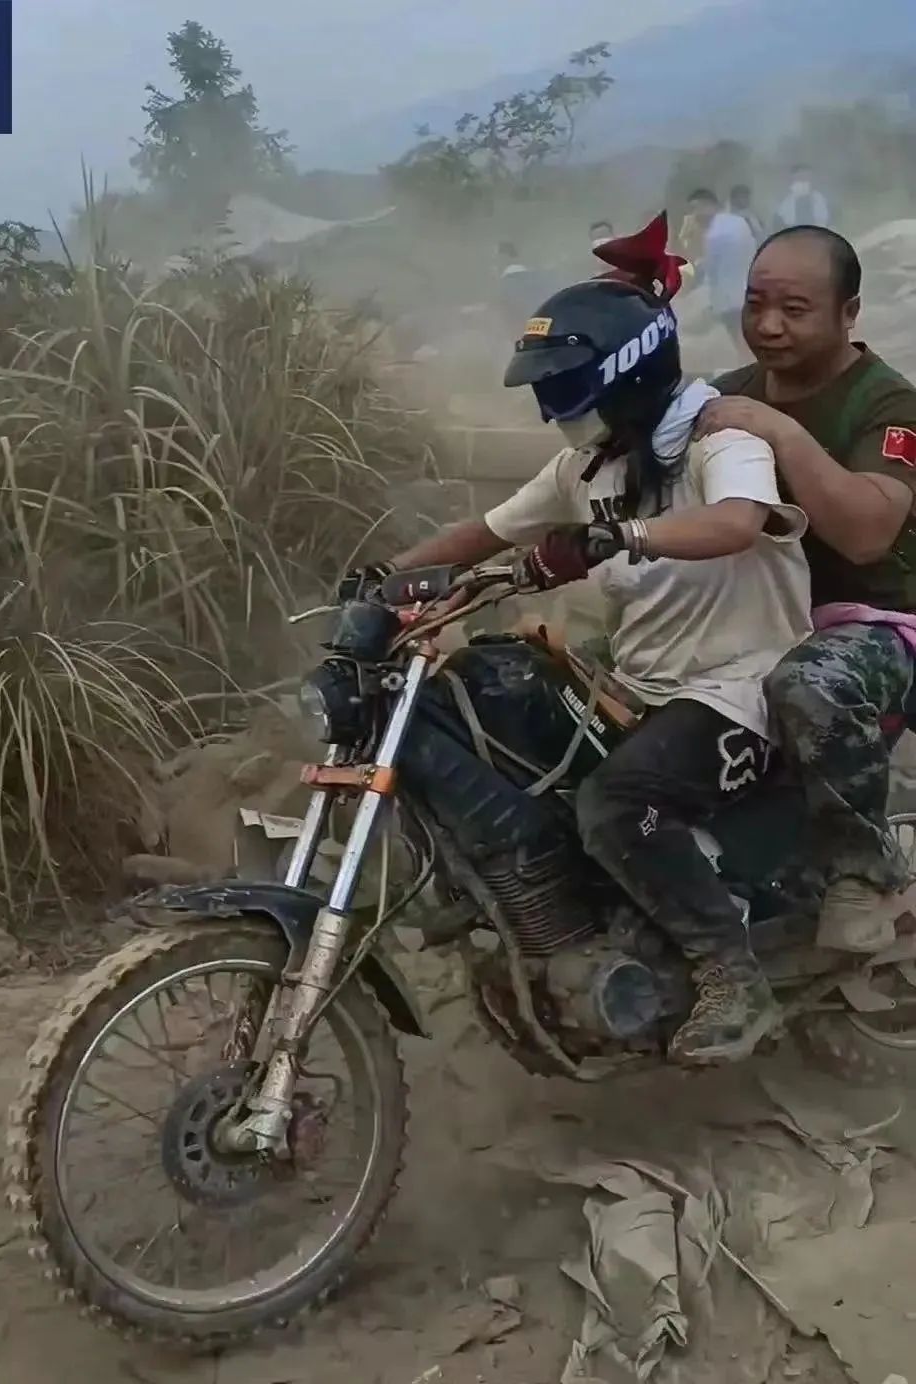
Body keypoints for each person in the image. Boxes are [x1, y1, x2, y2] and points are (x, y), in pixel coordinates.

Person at [360, 218, 813, 1064]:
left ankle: (732, 976)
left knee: (614, 803)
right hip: (642, 687)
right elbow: (486, 531)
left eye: (566, 385)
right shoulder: (589, 466)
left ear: (626, 371)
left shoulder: (721, 441)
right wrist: (383, 576)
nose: (552, 406)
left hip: (742, 689)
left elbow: (735, 523)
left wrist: (619, 537)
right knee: (505, 709)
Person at [701, 225, 916, 951]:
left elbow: (866, 533)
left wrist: (780, 433)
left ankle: (865, 872)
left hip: (878, 628)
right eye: (755, 304)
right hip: (762, 617)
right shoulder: (725, 395)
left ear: (848, 313)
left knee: (808, 683)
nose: (768, 325)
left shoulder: (888, 405)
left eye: (794, 310)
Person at [687, 188, 757, 353]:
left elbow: (713, 270)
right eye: (693, 209)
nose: (696, 214)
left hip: (729, 299)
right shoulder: (738, 222)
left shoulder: (714, 234)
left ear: (711, 206)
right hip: (748, 290)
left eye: (698, 208)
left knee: (741, 342)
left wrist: (700, 268)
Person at [774, 165, 831, 232]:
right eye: (799, 178)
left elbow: (823, 220)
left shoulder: (819, 199)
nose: (802, 182)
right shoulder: (785, 201)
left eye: (805, 178)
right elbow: (782, 222)